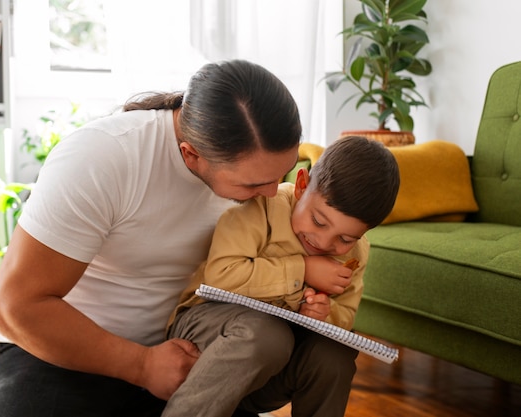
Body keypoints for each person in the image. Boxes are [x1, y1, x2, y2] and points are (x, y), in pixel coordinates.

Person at [0, 59, 303, 417]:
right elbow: (15, 308)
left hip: (181, 354)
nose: (273, 194)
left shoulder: (263, 186)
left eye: (283, 173)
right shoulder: (103, 156)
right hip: (57, 354)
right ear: (191, 155)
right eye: (253, 184)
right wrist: (142, 365)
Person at [164, 136, 400, 417]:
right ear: (301, 186)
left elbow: (345, 315)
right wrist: (303, 269)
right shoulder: (262, 208)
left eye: (346, 238)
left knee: (334, 356)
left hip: (268, 371)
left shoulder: (356, 254)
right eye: (319, 221)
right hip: (203, 337)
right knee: (267, 335)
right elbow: (221, 275)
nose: (324, 242)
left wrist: (324, 313)